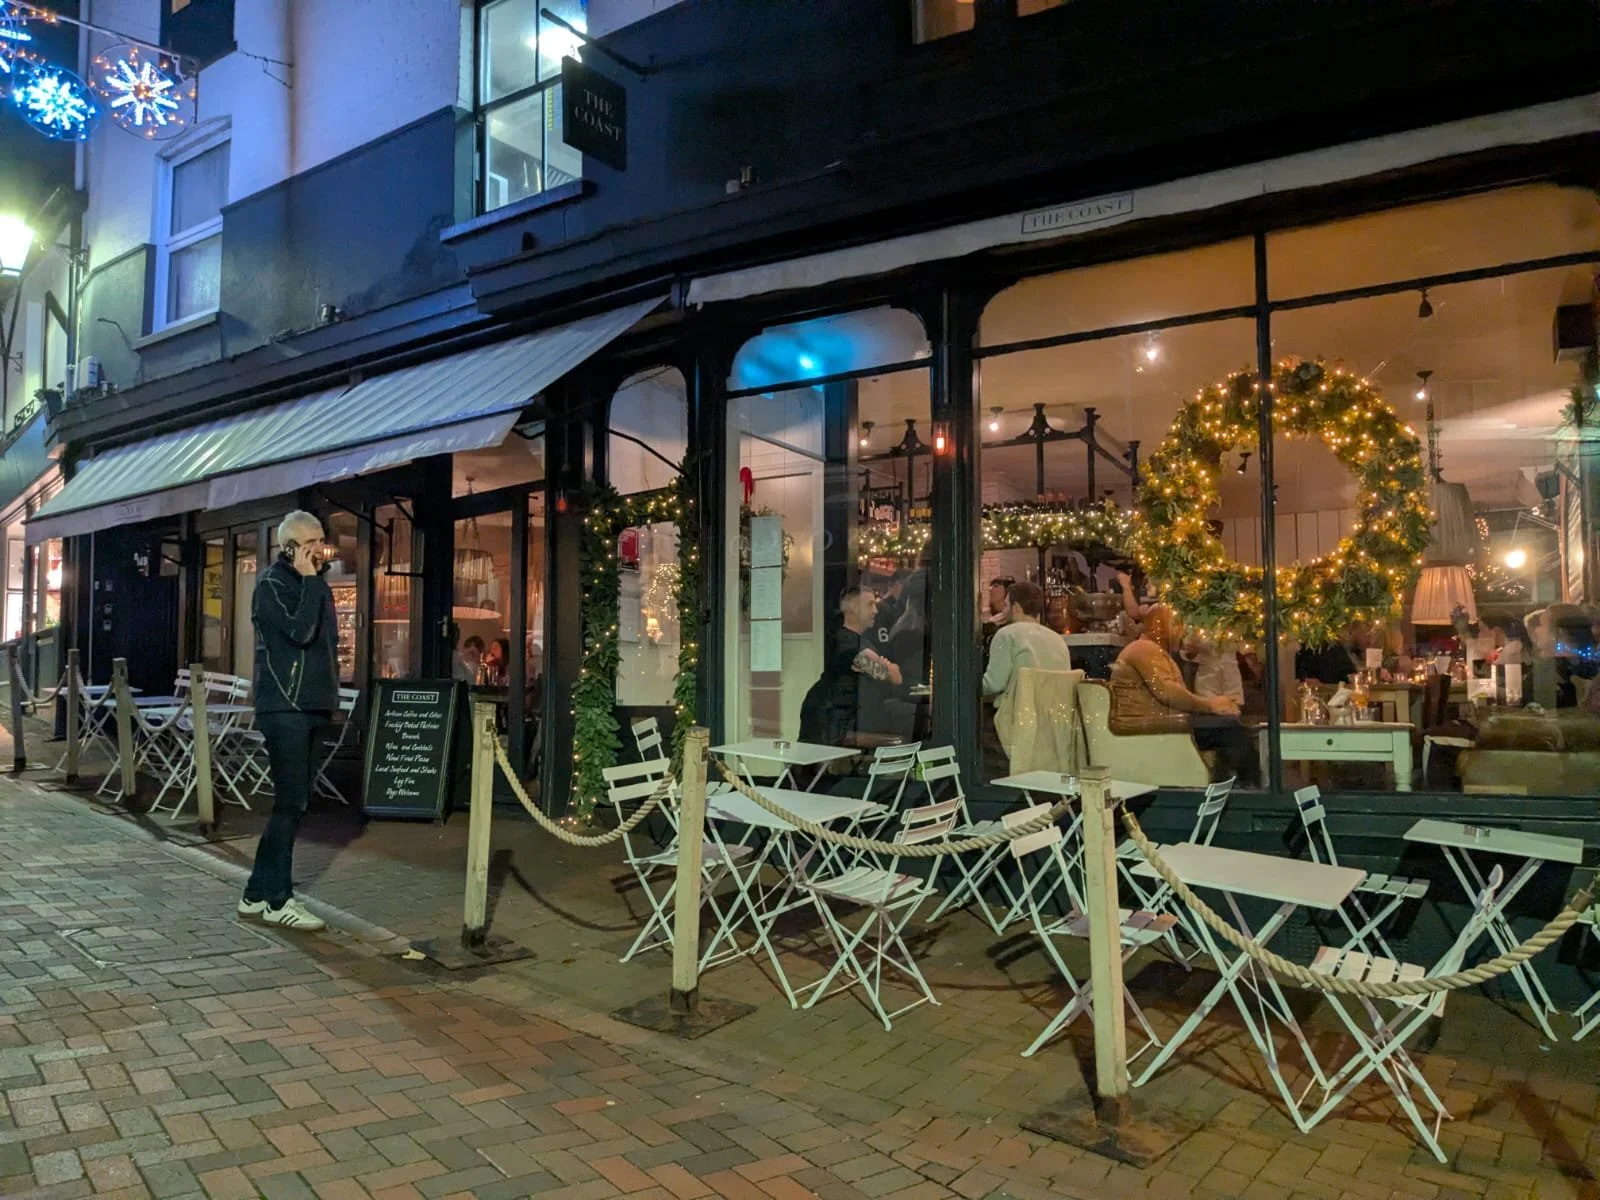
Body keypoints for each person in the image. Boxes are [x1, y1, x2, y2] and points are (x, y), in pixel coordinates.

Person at [237, 511, 334, 931]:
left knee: (294, 804)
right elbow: (300, 631)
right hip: (285, 708)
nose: (318, 548)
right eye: (310, 541)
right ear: (289, 546)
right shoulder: (272, 586)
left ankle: (257, 894)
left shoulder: (315, 584)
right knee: (290, 803)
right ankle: (278, 900)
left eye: (321, 540)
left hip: (311, 705)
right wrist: (310, 579)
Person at [1110, 604, 1259, 786]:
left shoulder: (1154, 651)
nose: (1181, 631)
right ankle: (1246, 790)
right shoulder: (1142, 648)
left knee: (1229, 724)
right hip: (1154, 727)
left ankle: (1227, 787)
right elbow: (1167, 692)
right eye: (1176, 624)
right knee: (1231, 728)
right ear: (1160, 627)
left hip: (1164, 724)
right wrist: (1210, 705)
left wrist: (1213, 707)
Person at [798, 584, 903, 747]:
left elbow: (892, 675)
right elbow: (889, 675)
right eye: (870, 605)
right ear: (854, 608)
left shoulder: (858, 639)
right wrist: (888, 667)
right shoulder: (846, 641)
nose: (876, 611)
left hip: (844, 714)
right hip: (831, 716)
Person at [982, 580, 1073, 699]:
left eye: (1006, 605)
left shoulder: (1006, 635)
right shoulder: (1057, 639)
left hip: (1019, 714)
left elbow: (994, 685)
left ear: (1016, 608)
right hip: (1054, 715)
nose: (1003, 611)